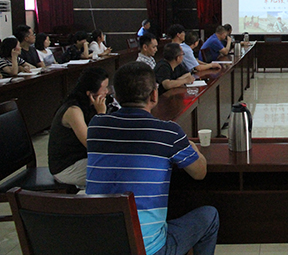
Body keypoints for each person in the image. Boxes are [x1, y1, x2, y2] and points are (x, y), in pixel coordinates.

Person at [86, 62, 219, 255]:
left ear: (116, 96)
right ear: (154, 95)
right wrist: (192, 147)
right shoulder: (168, 132)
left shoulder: (96, 126)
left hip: (99, 246)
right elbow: (200, 172)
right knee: (210, 216)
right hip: (148, 250)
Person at [48, 67, 108, 187]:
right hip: (66, 168)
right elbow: (92, 144)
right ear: (90, 94)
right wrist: (101, 114)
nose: (107, 92)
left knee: (119, 164)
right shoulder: (73, 110)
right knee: (117, 171)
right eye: (104, 88)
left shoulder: (88, 106)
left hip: (82, 159)